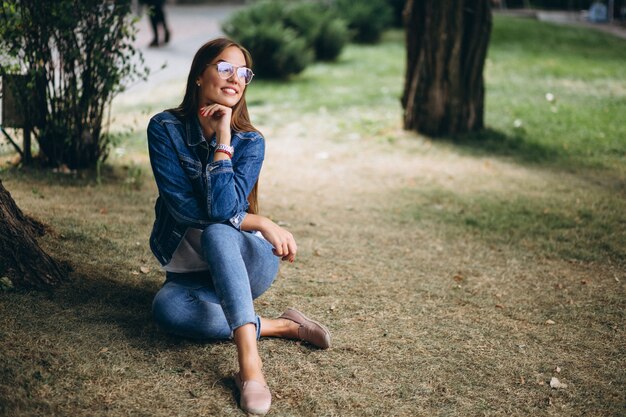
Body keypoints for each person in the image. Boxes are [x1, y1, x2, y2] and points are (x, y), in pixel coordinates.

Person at [146, 38, 331, 415]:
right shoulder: (164, 128)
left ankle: (250, 368)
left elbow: (224, 212)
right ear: (200, 75)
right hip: (189, 275)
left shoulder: (250, 141)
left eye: (243, 73)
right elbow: (182, 210)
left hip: (248, 263)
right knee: (168, 312)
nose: (235, 79)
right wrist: (260, 220)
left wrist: (224, 140)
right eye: (224, 68)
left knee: (218, 232)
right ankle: (283, 326)